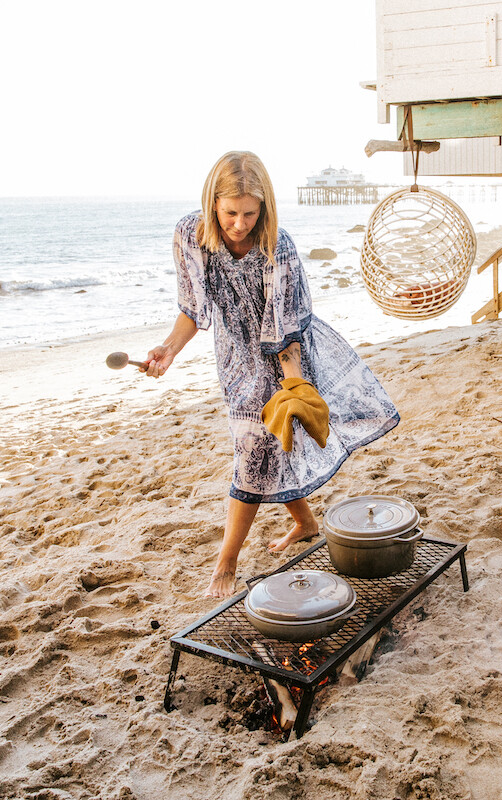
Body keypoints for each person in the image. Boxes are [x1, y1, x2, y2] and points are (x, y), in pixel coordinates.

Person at [142, 151, 400, 598]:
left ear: (264, 207)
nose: (239, 224)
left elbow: (285, 328)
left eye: (249, 213)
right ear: (212, 204)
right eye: (230, 213)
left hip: (283, 353)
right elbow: (193, 309)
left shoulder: (276, 246)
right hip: (234, 357)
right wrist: (168, 349)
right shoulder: (190, 233)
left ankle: (226, 562)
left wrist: (295, 386)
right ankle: (304, 521)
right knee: (267, 444)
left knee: (255, 446)